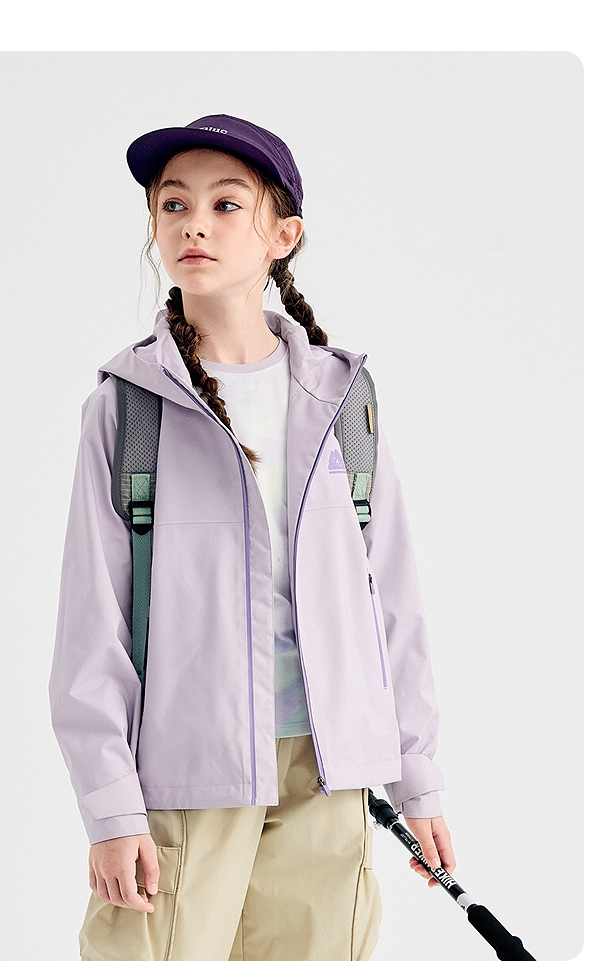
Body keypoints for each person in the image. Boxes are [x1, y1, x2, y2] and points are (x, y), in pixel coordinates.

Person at [49, 113, 455, 961]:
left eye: (226, 204)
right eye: (173, 205)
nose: (193, 224)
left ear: (283, 235)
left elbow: (393, 604)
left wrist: (417, 779)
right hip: (184, 771)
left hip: (328, 771)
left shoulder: (343, 400)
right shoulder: (127, 408)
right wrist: (111, 807)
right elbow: (92, 628)